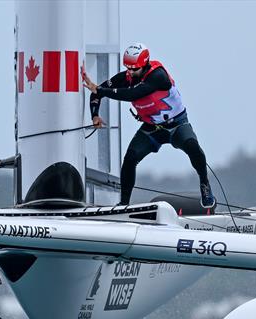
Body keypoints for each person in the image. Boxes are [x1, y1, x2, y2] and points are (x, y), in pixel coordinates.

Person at [82, 43, 215, 208]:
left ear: (144, 65)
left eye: (134, 69)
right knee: (130, 158)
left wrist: (100, 90)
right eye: (127, 68)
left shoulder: (158, 76)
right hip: (152, 128)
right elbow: (96, 93)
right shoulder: (126, 77)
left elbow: (134, 93)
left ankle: (205, 185)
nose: (130, 72)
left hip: (176, 125)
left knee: (193, 147)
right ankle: (124, 204)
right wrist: (95, 115)